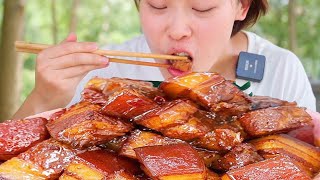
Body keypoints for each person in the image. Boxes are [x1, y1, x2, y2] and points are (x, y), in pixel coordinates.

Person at [13, 0, 317, 119]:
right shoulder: (108, 70)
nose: (177, 30)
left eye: (202, 8)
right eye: (157, 5)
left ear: (241, 7)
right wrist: (43, 97)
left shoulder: (280, 69)